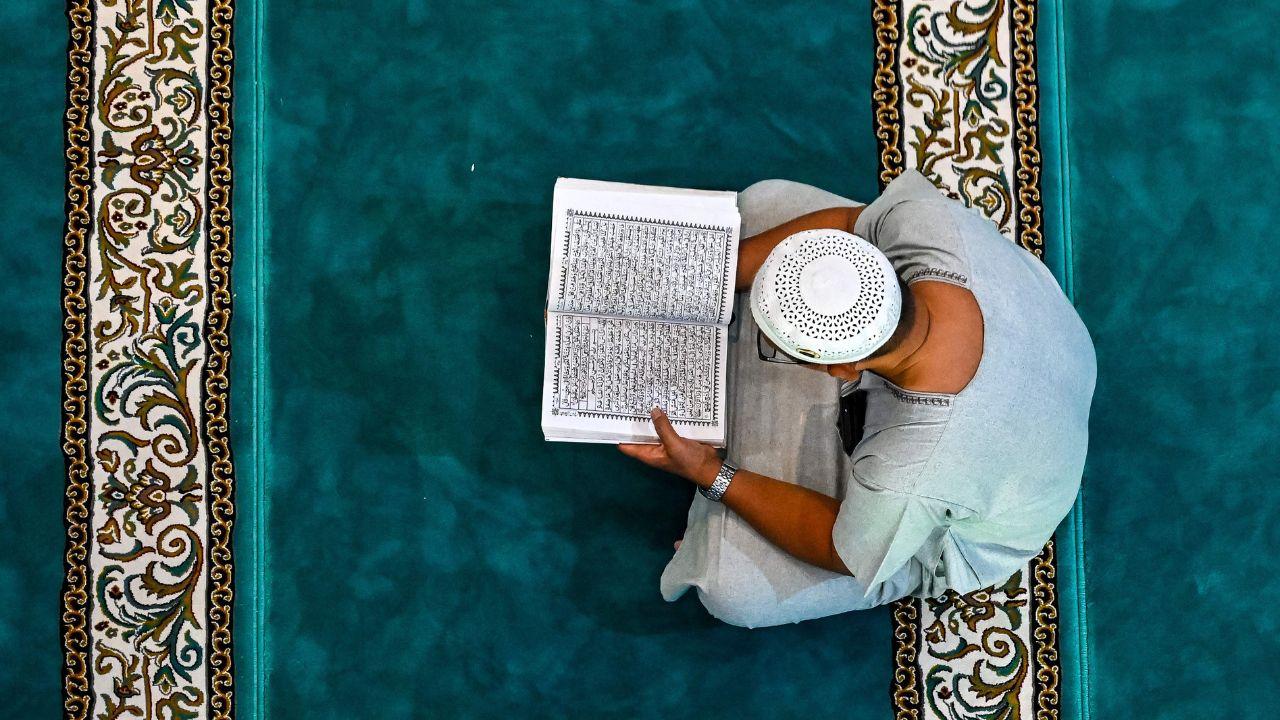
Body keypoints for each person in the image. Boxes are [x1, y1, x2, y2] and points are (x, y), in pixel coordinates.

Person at [618, 170, 1096, 628]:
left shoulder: (911, 469)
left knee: (731, 591)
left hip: (957, 517)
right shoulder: (925, 225)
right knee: (765, 200)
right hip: (1047, 350)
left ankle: (732, 501)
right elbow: (851, 224)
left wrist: (709, 473)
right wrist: (708, 278)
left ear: (842, 370)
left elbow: (838, 548)